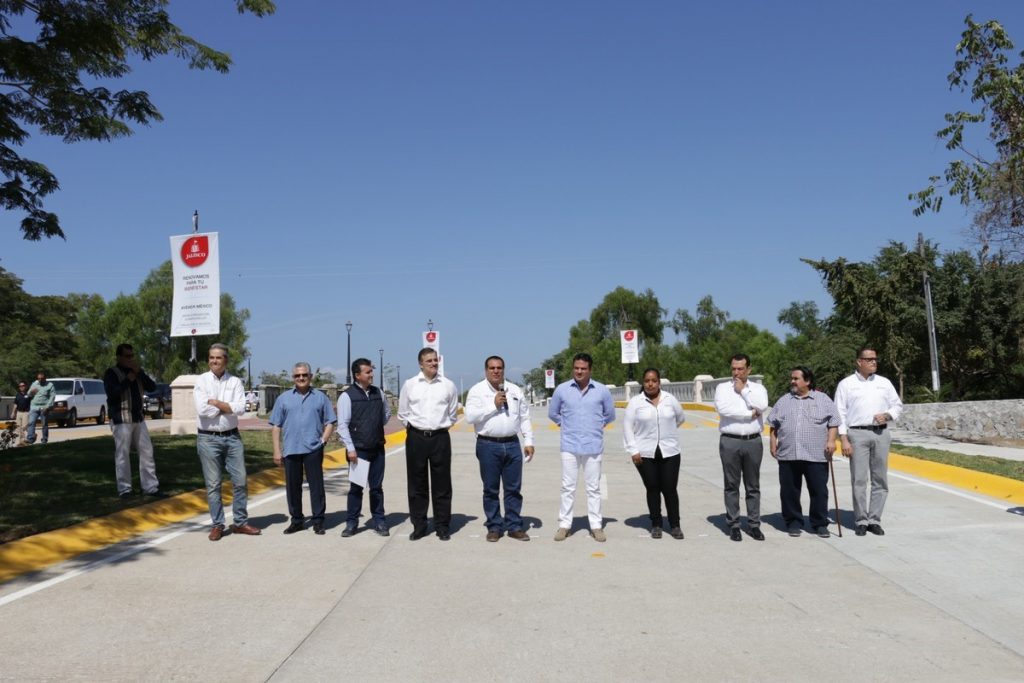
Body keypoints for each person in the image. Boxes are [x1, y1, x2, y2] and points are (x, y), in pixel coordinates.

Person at [193, 343, 261, 541]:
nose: (214, 361)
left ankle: (240, 522)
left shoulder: (235, 382)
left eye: (219, 358)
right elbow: (202, 410)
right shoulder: (202, 381)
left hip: (232, 437)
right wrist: (226, 407)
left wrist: (215, 403)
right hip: (208, 438)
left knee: (240, 481)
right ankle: (217, 525)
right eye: (211, 357)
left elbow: (241, 408)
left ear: (226, 360)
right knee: (213, 484)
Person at [464, 355, 535, 542]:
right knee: (491, 489)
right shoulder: (477, 391)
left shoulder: (514, 390)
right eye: (492, 368)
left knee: (513, 489)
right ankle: (494, 526)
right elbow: (470, 417)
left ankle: (514, 526)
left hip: (512, 444)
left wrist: (528, 441)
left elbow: (524, 417)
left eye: (499, 368)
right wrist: (493, 405)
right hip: (488, 445)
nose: (496, 371)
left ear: (504, 370)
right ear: (486, 370)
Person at [834, 346, 903, 536]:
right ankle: (861, 520)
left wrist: (888, 415)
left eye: (875, 358)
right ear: (859, 362)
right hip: (857, 434)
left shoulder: (884, 382)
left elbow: (897, 405)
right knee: (859, 479)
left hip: (881, 434)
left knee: (880, 478)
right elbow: (839, 412)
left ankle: (874, 519)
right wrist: (844, 439)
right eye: (869, 359)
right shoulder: (846, 384)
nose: (874, 362)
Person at [548, 352, 615, 542]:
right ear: (573, 369)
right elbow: (553, 413)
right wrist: (566, 425)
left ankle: (596, 526)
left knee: (593, 488)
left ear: (590, 370)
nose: (579, 371)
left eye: (583, 369)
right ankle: (564, 525)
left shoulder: (601, 390)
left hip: (593, 446)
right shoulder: (562, 389)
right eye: (576, 368)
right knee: (568, 487)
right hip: (569, 445)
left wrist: (594, 426)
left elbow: (609, 415)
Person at [769, 366, 839, 538]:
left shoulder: (823, 399)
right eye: (792, 378)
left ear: (807, 381)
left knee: (818, 491)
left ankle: (819, 523)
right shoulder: (784, 400)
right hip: (788, 454)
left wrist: (831, 440)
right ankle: (793, 521)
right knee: (789, 491)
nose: (792, 381)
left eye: (796, 378)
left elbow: (834, 422)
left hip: (815, 454)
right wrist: (772, 443)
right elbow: (773, 425)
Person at [398, 348, 459, 541]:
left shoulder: (448, 385)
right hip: (416, 437)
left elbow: (453, 414)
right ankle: (420, 525)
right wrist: (414, 429)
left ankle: (442, 526)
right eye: (429, 361)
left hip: (440, 438)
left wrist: (442, 427)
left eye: (435, 360)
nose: (433, 363)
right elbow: (403, 413)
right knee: (417, 484)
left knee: (442, 484)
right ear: (421, 364)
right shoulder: (410, 385)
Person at [269, 362, 337, 535]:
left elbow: (330, 421)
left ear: (310, 376)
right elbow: (276, 426)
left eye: (304, 375)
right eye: (297, 376)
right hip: (291, 449)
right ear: (293, 378)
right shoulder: (283, 398)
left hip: (313, 449)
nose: (301, 378)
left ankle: (318, 521)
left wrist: (323, 440)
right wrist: (277, 450)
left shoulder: (320, 397)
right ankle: (297, 520)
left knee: (316, 486)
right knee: (293, 488)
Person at [623, 367, 686, 540]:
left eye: (654, 381)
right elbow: (628, 427)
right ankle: (656, 524)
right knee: (652, 488)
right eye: (647, 381)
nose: (650, 384)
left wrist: (668, 433)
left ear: (659, 382)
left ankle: (675, 525)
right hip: (645, 453)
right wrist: (633, 450)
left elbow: (680, 418)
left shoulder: (670, 399)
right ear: (643, 383)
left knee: (670, 489)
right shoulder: (636, 402)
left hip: (670, 451)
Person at [714, 353, 769, 542]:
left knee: (753, 485)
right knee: (731, 484)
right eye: (733, 368)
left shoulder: (758, 388)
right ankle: (734, 524)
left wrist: (743, 391)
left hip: (753, 440)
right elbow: (724, 409)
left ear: (749, 370)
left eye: (740, 369)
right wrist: (749, 414)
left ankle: (754, 524)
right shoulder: (723, 388)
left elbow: (762, 405)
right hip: (730, 440)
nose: (736, 372)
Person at [337, 358, 391, 537]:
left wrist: (374, 427)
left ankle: (379, 521)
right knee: (356, 488)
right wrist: (350, 448)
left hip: (377, 448)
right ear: (357, 375)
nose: (371, 375)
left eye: (371, 371)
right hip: (358, 451)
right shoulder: (347, 396)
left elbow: (386, 415)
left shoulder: (379, 393)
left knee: (376, 488)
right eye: (368, 372)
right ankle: (352, 522)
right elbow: (342, 425)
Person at [103, 346, 163, 498]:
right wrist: (128, 379)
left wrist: (139, 373)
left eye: (132, 356)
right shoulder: (111, 373)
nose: (130, 359)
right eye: (127, 356)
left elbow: (152, 386)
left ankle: (150, 487)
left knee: (147, 451)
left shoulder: (137, 373)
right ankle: (125, 489)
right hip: (121, 419)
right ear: (119, 357)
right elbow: (113, 394)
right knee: (122, 453)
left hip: (139, 418)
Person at [25, 371, 56, 445]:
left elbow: (52, 397)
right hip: (34, 406)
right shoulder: (34, 384)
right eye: (39, 378)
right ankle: (31, 438)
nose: (40, 380)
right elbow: (28, 394)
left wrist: (47, 407)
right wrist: (31, 392)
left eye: (42, 378)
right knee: (31, 422)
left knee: (44, 424)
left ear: (45, 378)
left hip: (44, 407)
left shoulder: (50, 385)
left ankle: (44, 439)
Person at [13, 381, 31, 446]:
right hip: (19, 412)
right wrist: (13, 412)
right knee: (18, 427)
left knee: (24, 427)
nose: (21, 387)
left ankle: (26, 439)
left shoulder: (28, 394)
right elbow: (15, 404)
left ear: (25, 386)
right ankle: (21, 441)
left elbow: (32, 403)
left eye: (23, 386)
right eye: (20, 386)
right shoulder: (17, 395)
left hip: (26, 412)